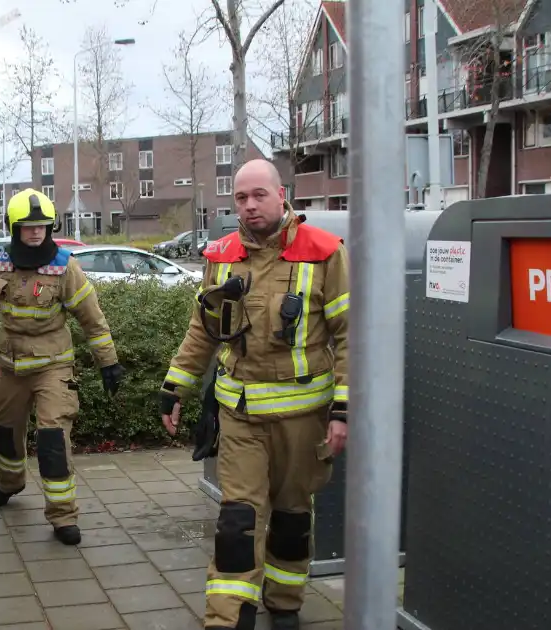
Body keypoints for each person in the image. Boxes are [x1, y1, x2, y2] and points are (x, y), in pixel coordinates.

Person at [159, 159, 350, 630]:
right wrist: (175, 385)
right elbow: (202, 330)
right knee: (237, 520)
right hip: (240, 414)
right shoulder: (221, 255)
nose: (249, 206)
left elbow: (352, 337)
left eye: (258, 195)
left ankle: (285, 603)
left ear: (281, 194)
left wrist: (344, 410)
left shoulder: (325, 253)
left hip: (304, 418)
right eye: (240, 198)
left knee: (290, 516)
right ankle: (228, 618)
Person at [0, 188, 125, 546]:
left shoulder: (65, 267)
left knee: (52, 440)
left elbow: (92, 320)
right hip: (10, 367)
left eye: (42, 226)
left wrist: (108, 362)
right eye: (28, 227)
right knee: (5, 431)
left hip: (54, 368)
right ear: (13, 228)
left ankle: (63, 516)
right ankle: (9, 484)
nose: (36, 233)